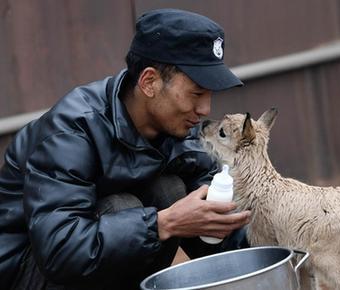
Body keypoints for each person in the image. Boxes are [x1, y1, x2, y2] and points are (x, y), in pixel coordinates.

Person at [0, 8, 251, 290]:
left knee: (170, 191)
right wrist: (162, 224)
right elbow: (60, 251)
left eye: (210, 95)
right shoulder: (72, 131)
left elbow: (216, 218)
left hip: (84, 265)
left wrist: (267, 245)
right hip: (23, 271)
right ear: (149, 82)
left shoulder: (177, 128)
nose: (205, 109)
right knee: (124, 208)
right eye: (196, 93)